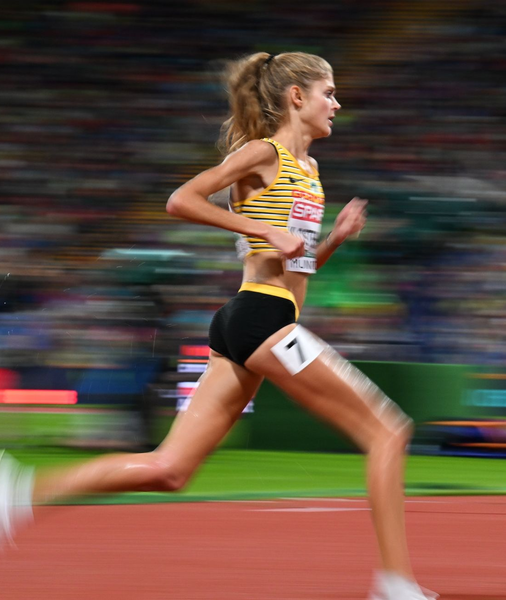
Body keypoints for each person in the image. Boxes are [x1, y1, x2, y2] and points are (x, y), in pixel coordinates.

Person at [0, 51, 436, 600]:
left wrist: (334, 240)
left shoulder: (310, 171)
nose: (337, 103)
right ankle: (395, 583)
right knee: (388, 432)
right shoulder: (263, 153)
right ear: (296, 96)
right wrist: (263, 229)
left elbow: (296, 268)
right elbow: (181, 200)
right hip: (260, 320)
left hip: (254, 322)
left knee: (169, 469)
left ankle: (19, 490)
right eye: (328, 92)